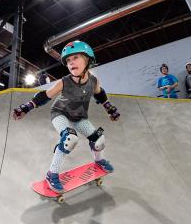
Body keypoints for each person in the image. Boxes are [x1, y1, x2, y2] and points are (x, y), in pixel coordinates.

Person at [12, 40, 120, 193]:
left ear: (88, 59)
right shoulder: (65, 81)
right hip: (60, 114)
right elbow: (45, 96)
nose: (71, 62)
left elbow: (101, 96)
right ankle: (52, 174)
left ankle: (99, 160)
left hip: (80, 117)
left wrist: (110, 109)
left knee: (99, 140)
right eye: (68, 60)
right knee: (70, 139)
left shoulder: (94, 81)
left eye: (75, 57)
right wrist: (26, 107)